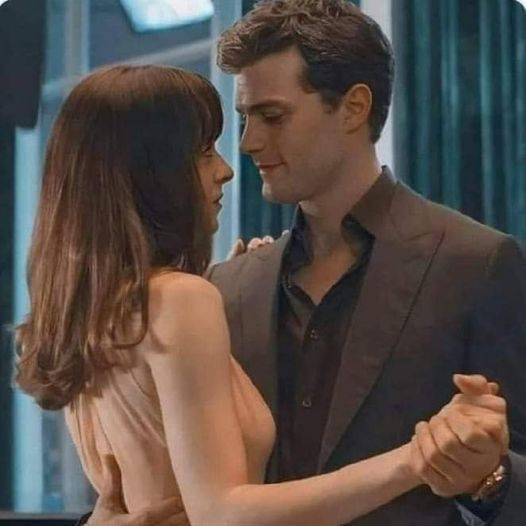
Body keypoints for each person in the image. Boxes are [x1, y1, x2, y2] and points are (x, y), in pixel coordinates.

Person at [87, 1, 526, 525]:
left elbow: (512, 473)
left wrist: (488, 479)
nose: (247, 143)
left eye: (272, 116)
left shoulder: (474, 262)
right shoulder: (226, 285)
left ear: (354, 108)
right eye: (245, 118)